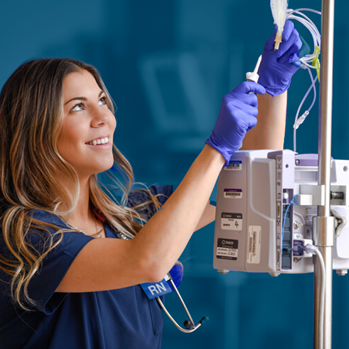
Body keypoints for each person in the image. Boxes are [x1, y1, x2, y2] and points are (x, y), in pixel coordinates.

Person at [0, 21, 301, 349]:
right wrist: (216, 148)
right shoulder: (23, 238)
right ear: (34, 130)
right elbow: (146, 260)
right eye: (77, 107)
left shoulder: (131, 216)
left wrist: (274, 92)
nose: (103, 117)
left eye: (102, 100)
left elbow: (249, 196)